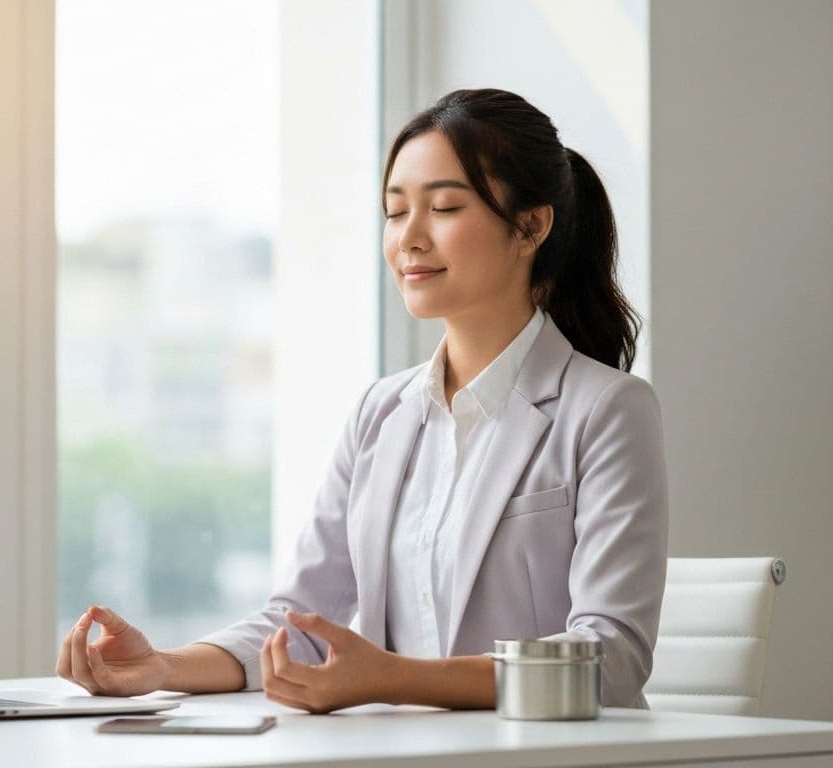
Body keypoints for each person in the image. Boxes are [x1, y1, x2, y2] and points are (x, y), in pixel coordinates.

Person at [56, 88, 668, 713]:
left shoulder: (607, 410)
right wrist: (162, 667)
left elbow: (611, 658)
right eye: (396, 211)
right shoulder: (382, 412)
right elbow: (297, 622)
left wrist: (389, 678)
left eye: (446, 207)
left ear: (531, 226)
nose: (411, 238)